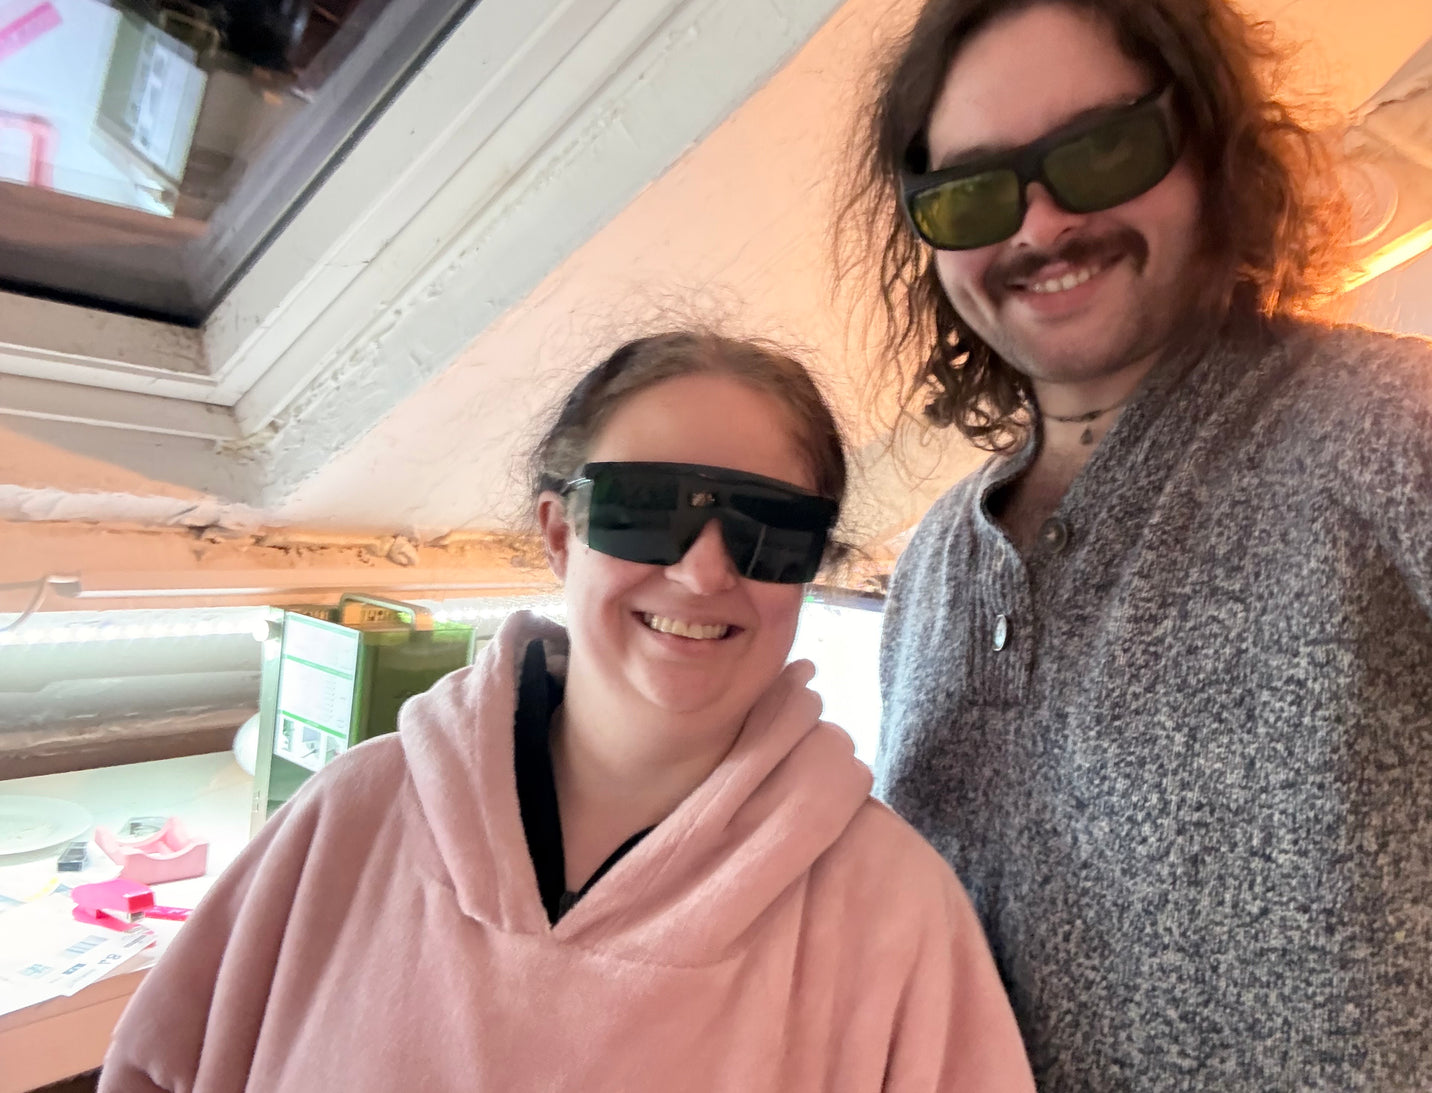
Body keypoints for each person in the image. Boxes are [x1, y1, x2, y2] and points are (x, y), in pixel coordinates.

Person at [839, 0, 1432, 1088]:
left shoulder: (1418, 429)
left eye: (1101, 151)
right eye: (971, 196)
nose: (1041, 225)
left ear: (1211, 150)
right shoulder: (935, 560)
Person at [100, 330, 1035, 1092]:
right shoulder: (351, 819)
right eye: (646, 510)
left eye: (769, 528)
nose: (704, 571)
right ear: (559, 532)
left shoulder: (893, 914)